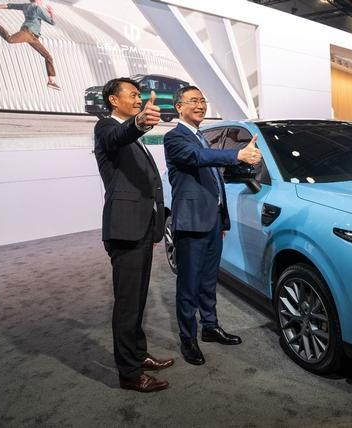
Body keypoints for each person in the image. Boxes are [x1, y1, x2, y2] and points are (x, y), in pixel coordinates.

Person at [164, 86, 262, 366]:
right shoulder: (175, 137)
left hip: (212, 221)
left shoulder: (201, 137)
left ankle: (210, 326)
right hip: (192, 222)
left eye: (202, 100)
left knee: (208, 281)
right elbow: (196, 159)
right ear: (179, 106)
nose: (200, 105)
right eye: (193, 100)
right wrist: (237, 155)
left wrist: (223, 219)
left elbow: (215, 181)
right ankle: (188, 338)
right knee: (189, 284)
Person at [94, 78, 173, 392]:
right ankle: (129, 374)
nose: (139, 99)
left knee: (138, 299)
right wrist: (138, 123)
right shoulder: (106, 127)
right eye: (133, 94)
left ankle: (138, 356)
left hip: (140, 227)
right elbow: (118, 135)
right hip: (124, 229)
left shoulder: (129, 134)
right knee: (127, 304)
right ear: (114, 100)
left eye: (140, 95)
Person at [0, 0, 61, 90]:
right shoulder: (38, 8)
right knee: (10, 39)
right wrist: (51, 12)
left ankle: (51, 81)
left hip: (33, 37)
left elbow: (9, 6)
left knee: (48, 56)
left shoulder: (26, 6)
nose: (42, 1)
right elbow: (52, 22)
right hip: (28, 33)